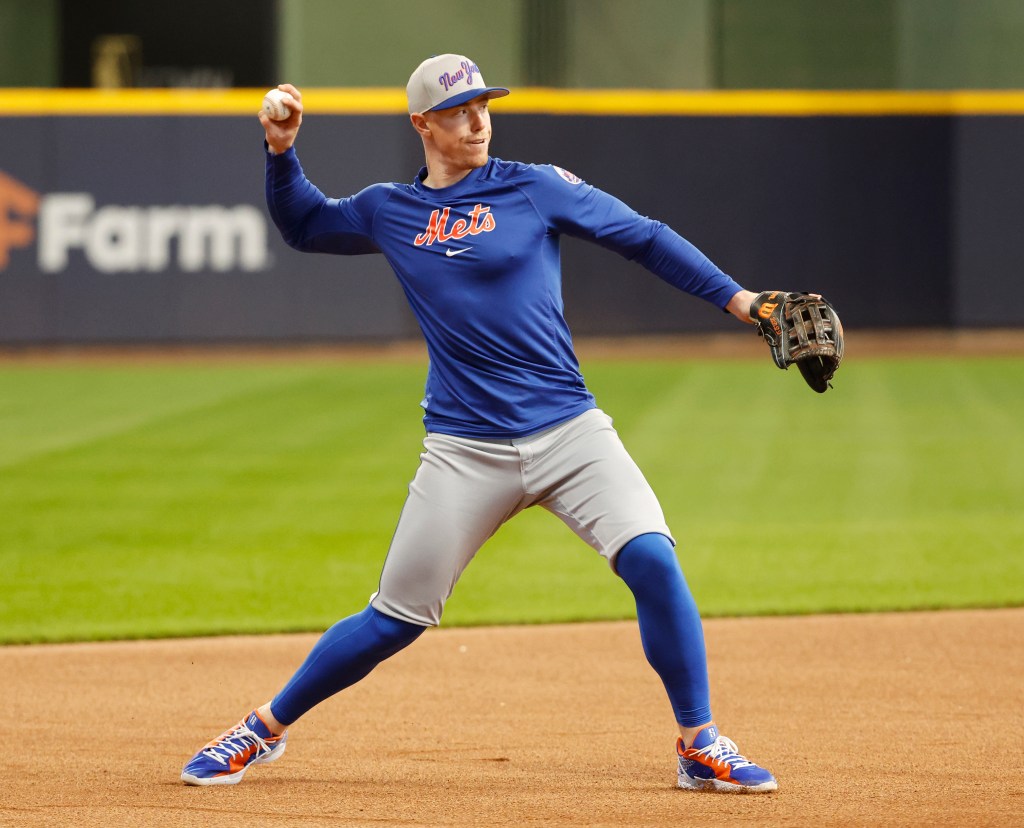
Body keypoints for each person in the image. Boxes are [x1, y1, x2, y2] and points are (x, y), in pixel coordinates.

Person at [181, 54, 777, 794]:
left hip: (569, 431)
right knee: (394, 619)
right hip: (465, 449)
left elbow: (644, 236)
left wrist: (742, 302)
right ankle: (261, 729)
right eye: (459, 109)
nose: (477, 118)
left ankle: (700, 742)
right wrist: (281, 151)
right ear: (422, 124)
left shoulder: (535, 186)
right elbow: (305, 225)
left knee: (653, 558)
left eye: (483, 104)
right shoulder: (389, 209)